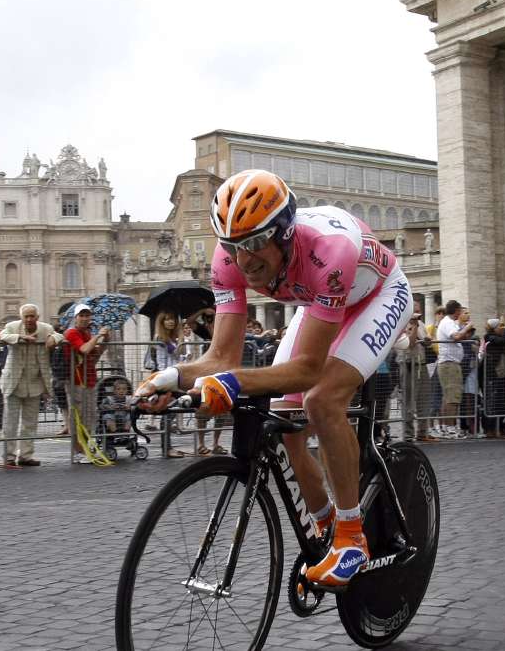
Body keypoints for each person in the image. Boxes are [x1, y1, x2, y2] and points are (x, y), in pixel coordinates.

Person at [136, 170, 413, 587]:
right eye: (232, 245)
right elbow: (221, 357)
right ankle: (324, 527)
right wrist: (171, 378)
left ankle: (352, 537)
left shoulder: (328, 250)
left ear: (284, 234)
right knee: (285, 419)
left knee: (321, 400)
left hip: (378, 295)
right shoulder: (227, 259)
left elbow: (306, 369)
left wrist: (232, 383)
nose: (243, 259)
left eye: (253, 243)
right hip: (319, 301)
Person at [0, 304, 62, 467]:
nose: (29, 319)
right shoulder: (12, 327)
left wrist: (54, 339)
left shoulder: (46, 328)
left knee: (30, 422)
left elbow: (60, 335)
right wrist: (20, 338)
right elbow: (2, 336)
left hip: (34, 382)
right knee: (10, 422)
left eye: (32, 316)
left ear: (37, 317)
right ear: (21, 317)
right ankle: (9, 456)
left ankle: (26, 455)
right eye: (26, 316)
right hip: (14, 381)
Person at [64, 304, 108, 461]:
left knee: (89, 416)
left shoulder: (87, 333)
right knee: (78, 416)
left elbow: (94, 355)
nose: (85, 318)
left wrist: (105, 340)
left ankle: (86, 448)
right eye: (81, 315)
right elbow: (84, 349)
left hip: (88, 379)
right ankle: (78, 451)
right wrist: (97, 336)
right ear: (75, 318)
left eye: (87, 315)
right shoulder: (72, 333)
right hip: (76, 381)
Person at [144, 312, 190, 457]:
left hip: (173, 377)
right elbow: (173, 355)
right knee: (168, 411)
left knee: (170, 410)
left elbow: (181, 354)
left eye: (172, 319)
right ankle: (166, 448)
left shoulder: (172, 338)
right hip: (166, 378)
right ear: (161, 322)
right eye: (167, 319)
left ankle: (167, 447)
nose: (170, 322)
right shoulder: (161, 338)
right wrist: (180, 342)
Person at [434, 300, 474, 439]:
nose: (462, 313)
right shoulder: (448, 322)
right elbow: (456, 337)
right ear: (456, 310)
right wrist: (467, 327)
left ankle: (446, 427)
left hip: (449, 364)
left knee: (448, 397)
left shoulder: (449, 322)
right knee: (452, 397)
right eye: (461, 311)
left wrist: (463, 328)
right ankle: (450, 428)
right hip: (449, 364)